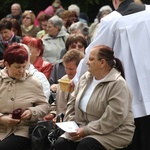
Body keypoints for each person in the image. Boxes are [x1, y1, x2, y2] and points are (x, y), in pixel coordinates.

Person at [73, 0, 150, 149]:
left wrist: (77, 79)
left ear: (115, 1)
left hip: (127, 87)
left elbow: (94, 52)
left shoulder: (112, 20)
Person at [54, 45, 135, 150]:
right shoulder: (85, 78)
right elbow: (72, 104)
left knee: (86, 146)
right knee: (61, 144)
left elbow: (113, 118)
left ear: (102, 63)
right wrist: (72, 126)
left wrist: (86, 130)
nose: (87, 62)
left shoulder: (118, 84)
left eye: (91, 59)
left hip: (115, 132)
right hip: (84, 128)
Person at [0, 43, 50, 150]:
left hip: (22, 130)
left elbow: (45, 106)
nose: (21, 71)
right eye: (17, 67)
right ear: (7, 64)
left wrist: (32, 112)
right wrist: (1, 118)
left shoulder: (34, 82)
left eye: (24, 66)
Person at [44, 49, 84, 120]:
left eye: (71, 69)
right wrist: (52, 113)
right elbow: (57, 101)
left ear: (80, 67)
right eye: (66, 68)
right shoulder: (63, 79)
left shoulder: (84, 83)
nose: (68, 72)